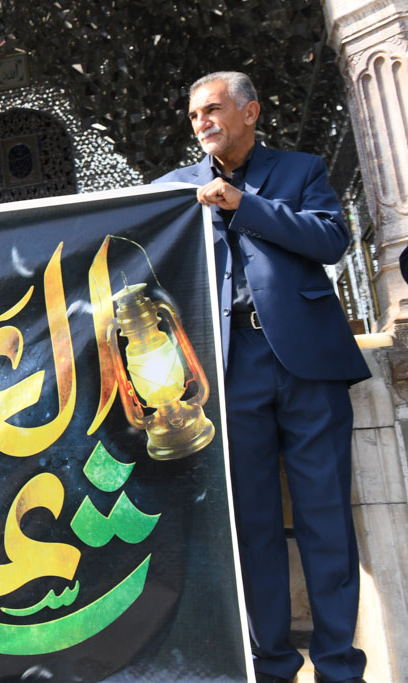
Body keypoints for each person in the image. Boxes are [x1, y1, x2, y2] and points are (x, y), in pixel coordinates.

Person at [157, 71, 369, 683]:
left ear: (249, 112)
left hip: (309, 365)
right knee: (251, 526)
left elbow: (331, 240)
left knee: (326, 519)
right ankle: (272, 665)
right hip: (226, 369)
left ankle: (339, 666)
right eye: (194, 115)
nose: (201, 123)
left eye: (213, 110)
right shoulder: (172, 191)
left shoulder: (301, 170)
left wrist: (243, 205)